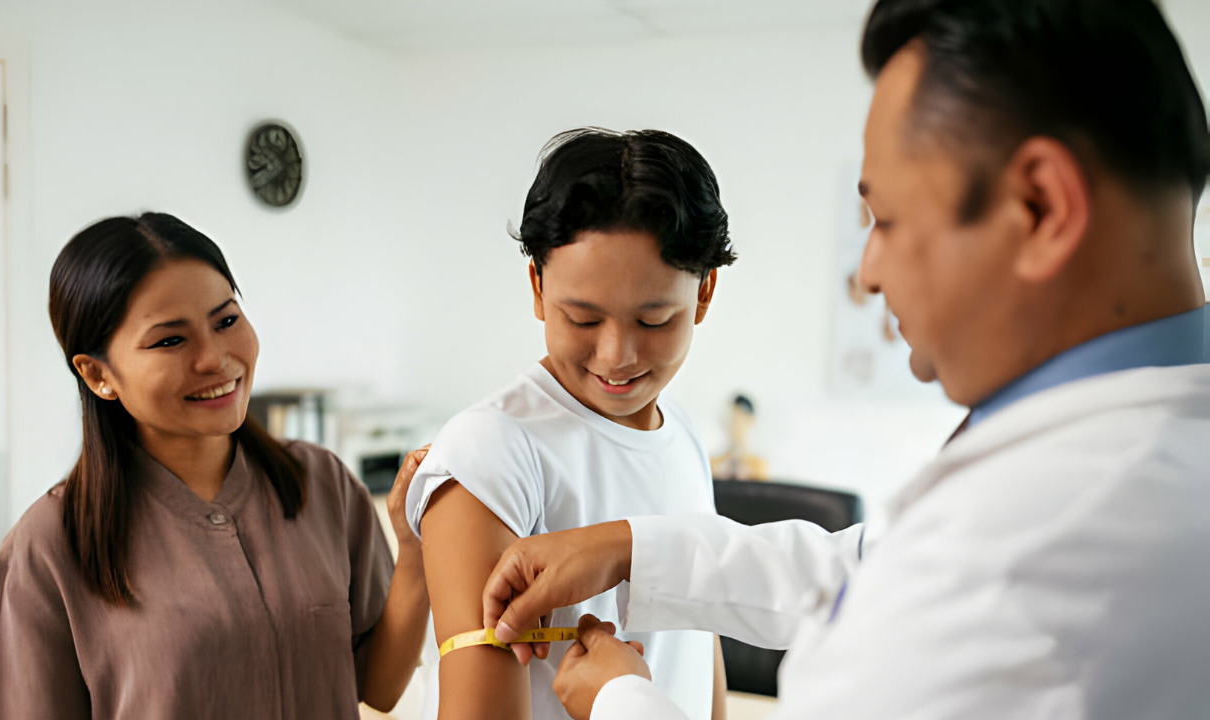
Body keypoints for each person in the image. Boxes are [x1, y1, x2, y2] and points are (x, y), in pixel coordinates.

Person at [480, 1, 1210, 718]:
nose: (868, 272)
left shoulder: (1039, 541)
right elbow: (869, 569)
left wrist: (618, 698)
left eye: (886, 220)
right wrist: (634, 549)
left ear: (1044, 208)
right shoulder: (1132, 462)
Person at [0, 213, 431, 719]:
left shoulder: (320, 484)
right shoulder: (49, 549)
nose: (214, 358)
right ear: (98, 374)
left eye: (226, 320)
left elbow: (378, 688)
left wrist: (414, 549)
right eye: (170, 340)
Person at [402, 128, 736, 720]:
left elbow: (698, 634)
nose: (617, 356)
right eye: (582, 317)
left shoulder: (682, 434)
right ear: (536, 286)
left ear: (704, 291)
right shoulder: (491, 452)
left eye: (654, 320)